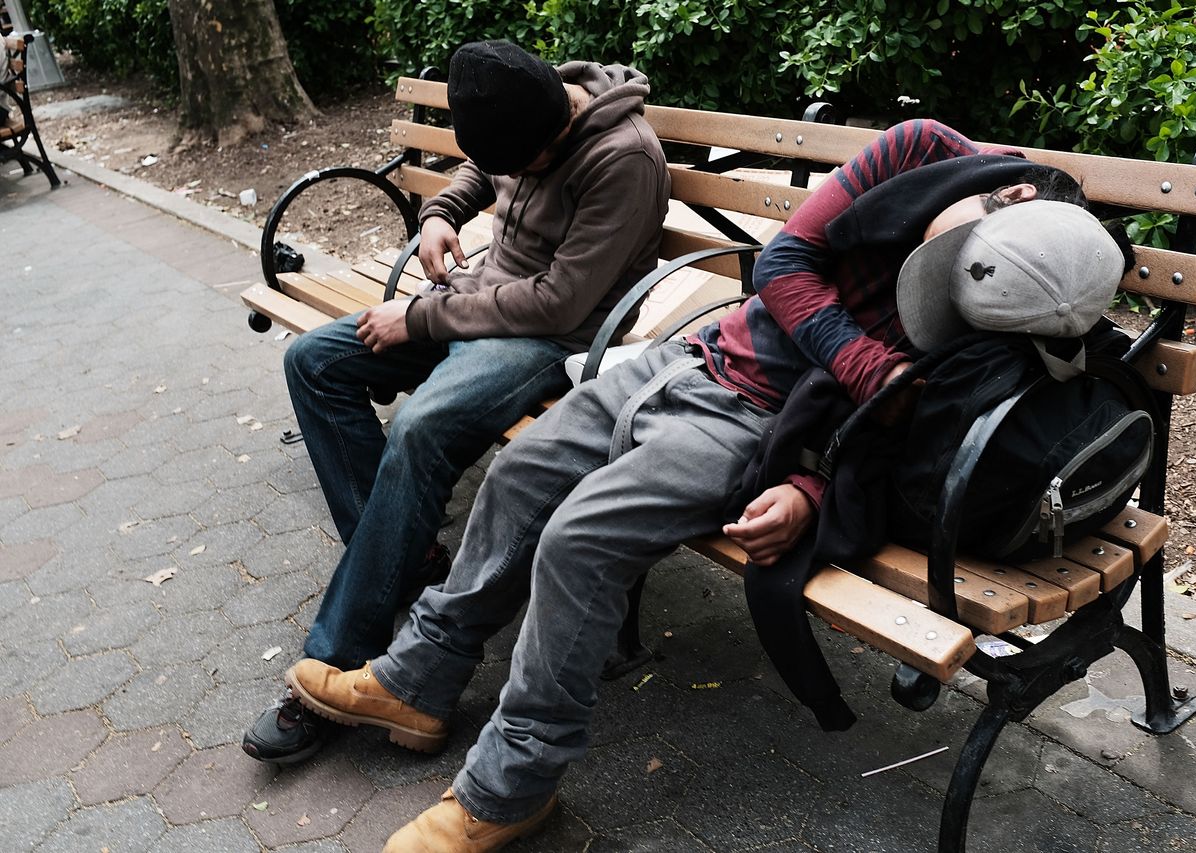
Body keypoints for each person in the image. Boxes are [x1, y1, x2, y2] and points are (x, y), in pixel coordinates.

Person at [279, 119, 1131, 852]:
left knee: (582, 541)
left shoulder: (1016, 297)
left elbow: (917, 438)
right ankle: (418, 679)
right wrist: (869, 363)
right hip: (690, 356)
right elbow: (785, 262)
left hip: (759, 424)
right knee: (519, 473)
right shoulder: (918, 149)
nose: (934, 279)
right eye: (944, 259)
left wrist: (810, 485)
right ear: (1009, 193)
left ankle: (510, 786)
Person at [241, 39, 671, 765]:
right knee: (313, 361)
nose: (514, 174)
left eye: (525, 164)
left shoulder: (623, 158)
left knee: (418, 428)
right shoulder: (532, 103)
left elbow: (559, 299)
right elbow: (482, 166)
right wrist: (442, 212)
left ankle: (342, 659)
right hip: (479, 303)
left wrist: (418, 318)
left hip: (549, 336)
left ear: (555, 135)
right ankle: (407, 562)